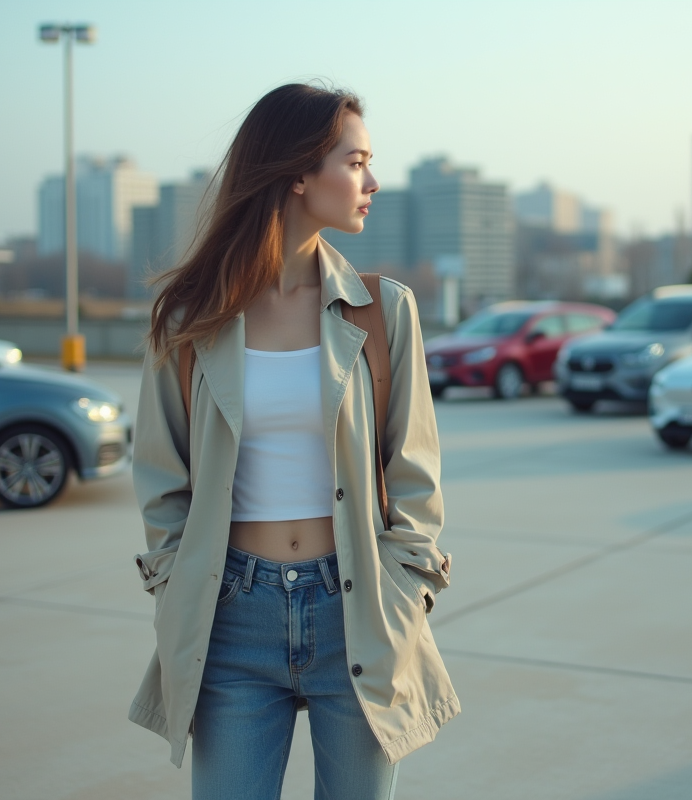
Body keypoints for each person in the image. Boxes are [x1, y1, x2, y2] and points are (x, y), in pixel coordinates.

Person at [128, 83, 458, 800]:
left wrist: (407, 588)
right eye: (356, 161)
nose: (371, 182)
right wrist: (171, 581)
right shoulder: (190, 317)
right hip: (231, 618)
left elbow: (416, 473)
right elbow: (160, 475)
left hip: (359, 612)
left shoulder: (382, 311)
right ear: (299, 172)